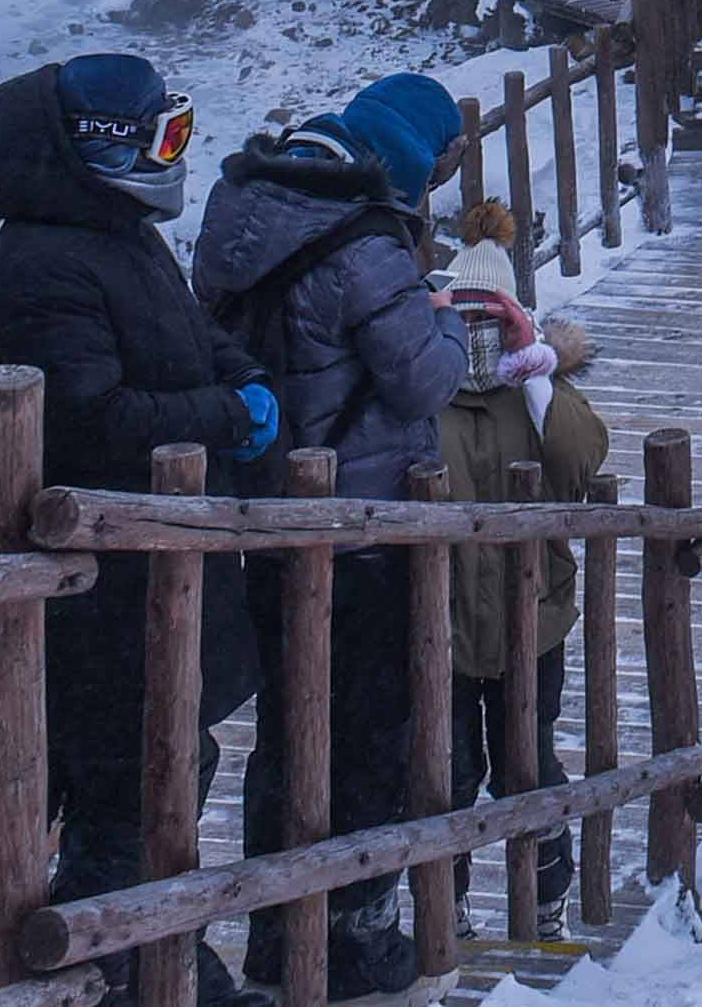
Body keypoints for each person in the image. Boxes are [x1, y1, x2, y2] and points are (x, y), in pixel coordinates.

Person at [0, 54, 273, 1006]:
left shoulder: (111, 230)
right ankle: (124, 957)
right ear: (102, 147)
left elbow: (186, 330)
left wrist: (239, 378)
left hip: (150, 567)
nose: (173, 156)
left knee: (167, 759)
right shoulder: (48, 256)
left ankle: (149, 950)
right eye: (162, 138)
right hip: (107, 581)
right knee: (132, 772)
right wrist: (223, 411)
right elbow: (91, 416)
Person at [191, 72, 500, 1000]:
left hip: (269, 515)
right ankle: (358, 934)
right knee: (372, 731)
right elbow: (421, 381)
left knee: (286, 732)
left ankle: (279, 938)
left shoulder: (239, 204)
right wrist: (445, 323)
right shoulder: (366, 244)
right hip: (363, 525)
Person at [433, 277, 601, 923]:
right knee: (444, 774)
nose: (479, 336)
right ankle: (442, 912)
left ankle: (547, 896)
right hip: (439, 625)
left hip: (530, 619)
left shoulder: (536, 389)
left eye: (492, 319)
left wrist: (536, 369)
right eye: (466, 320)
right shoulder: (422, 388)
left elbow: (581, 459)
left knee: (526, 767)